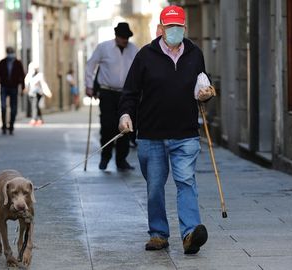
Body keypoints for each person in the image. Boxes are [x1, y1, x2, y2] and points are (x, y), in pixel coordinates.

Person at [118, 5, 215, 254]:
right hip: (151, 134)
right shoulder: (145, 56)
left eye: (178, 27)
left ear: (185, 28)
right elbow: (130, 91)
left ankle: (190, 233)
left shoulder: (195, 54)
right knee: (154, 188)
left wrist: (206, 94)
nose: (174, 31)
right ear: (160, 28)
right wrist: (126, 115)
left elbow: (204, 85)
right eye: (169, 26)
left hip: (185, 133)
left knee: (186, 182)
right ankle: (159, 234)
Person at [85, 22, 138, 170]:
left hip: (126, 94)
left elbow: (140, 69)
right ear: (116, 36)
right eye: (122, 37)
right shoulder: (104, 47)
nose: (124, 40)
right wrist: (89, 85)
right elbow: (90, 65)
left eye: (126, 37)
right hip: (107, 92)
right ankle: (105, 156)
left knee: (125, 127)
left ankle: (121, 160)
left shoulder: (134, 49)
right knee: (108, 126)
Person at [0, 46, 26, 135]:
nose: (10, 54)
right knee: (3, 107)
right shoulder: (2, 62)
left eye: (11, 52)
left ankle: (11, 125)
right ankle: (4, 125)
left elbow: (22, 76)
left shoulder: (18, 63)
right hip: (4, 87)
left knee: (13, 108)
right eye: (9, 52)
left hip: (14, 87)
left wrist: (22, 88)